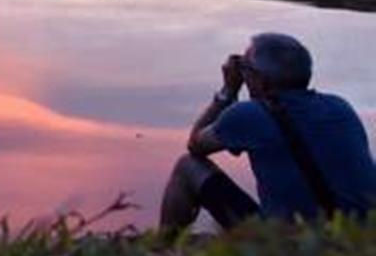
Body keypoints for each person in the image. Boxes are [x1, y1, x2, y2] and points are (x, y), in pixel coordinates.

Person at [160, 32, 375, 231]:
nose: (241, 73)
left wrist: (228, 91)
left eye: (244, 67)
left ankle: (161, 251)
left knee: (187, 166)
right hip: (353, 238)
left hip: (289, 243)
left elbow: (196, 145)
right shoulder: (341, 107)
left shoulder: (249, 114)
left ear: (261, 79)